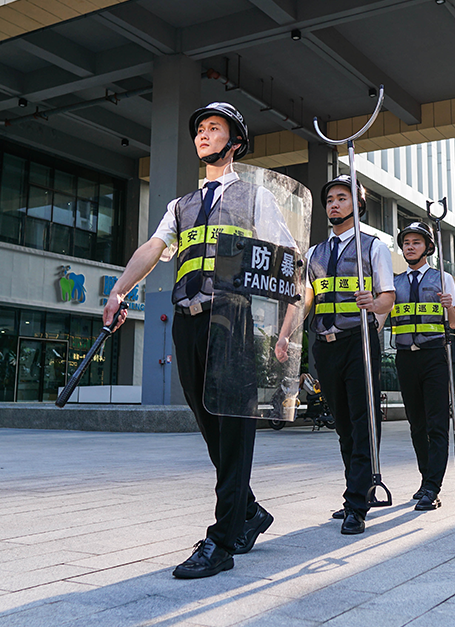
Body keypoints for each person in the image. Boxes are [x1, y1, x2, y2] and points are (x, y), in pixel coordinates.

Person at [103, 102, 293, 579]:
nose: (203, 134)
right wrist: (119, 290)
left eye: (214, 128)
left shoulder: (255, 198)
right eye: (200, 129)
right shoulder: (181, 205)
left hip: (232, 320)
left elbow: (287, 259)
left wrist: (286, 326)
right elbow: (153, 248)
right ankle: (248, 512)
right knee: (210, 425)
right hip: (186, 323)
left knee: (233, 427)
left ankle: (222, 540)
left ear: (236, 142)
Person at [301, 175, 395, 535]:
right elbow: (306, 299)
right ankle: (356, 491)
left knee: (363, 422)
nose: (334, 204)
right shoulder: (314, 253)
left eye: (342, 198)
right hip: (324, 346)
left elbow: (388, 296)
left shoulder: (373, 247)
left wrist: (374, 303)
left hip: (359, 342)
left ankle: (357, 502)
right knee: (342, 425)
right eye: (330, 200)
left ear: (358, 204)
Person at [391, 222, 455, 511]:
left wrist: (449, 307)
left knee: (436, 423)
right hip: (405, 357)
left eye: (416, 242)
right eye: (406, 243)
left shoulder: (443, 278)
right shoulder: (394, 283)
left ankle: (433, 487)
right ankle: (425, 480)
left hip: (434, 356)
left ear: (428, 248)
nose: (410, 247)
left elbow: (454, 323)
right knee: (416, 424)